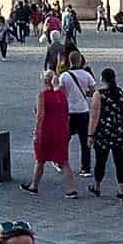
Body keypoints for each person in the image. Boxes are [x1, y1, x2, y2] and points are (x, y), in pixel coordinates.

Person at [22, 69, 75, 198]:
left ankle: (34, 185)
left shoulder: (42, 95)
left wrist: (37, 131)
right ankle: (71, 189)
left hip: (46, 130)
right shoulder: (62, 95)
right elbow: (67, 113)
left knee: (40, 159)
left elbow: (40, 115)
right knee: (63, 161)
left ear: (45, 80)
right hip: (61, 130)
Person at [87, 67, 123, 200]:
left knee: (100, 160)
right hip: (120, 129)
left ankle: (97, 186)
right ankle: (122, 189)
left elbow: (94, 116)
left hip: (104, 130)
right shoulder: (121, 92)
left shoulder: (99, 94)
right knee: (120, 160)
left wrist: (90, 134)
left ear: (102, 79)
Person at [60, 50, 95, 176]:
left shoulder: (64, 76)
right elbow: (93, 91)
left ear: (69, 61)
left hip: (69, 111)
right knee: (84, 140)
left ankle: (62, 162)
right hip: (82, 110)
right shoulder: (86, 75)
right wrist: (85, 93)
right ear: (80, 61)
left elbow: (61, 93)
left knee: (64, 138)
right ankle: (86, 167)